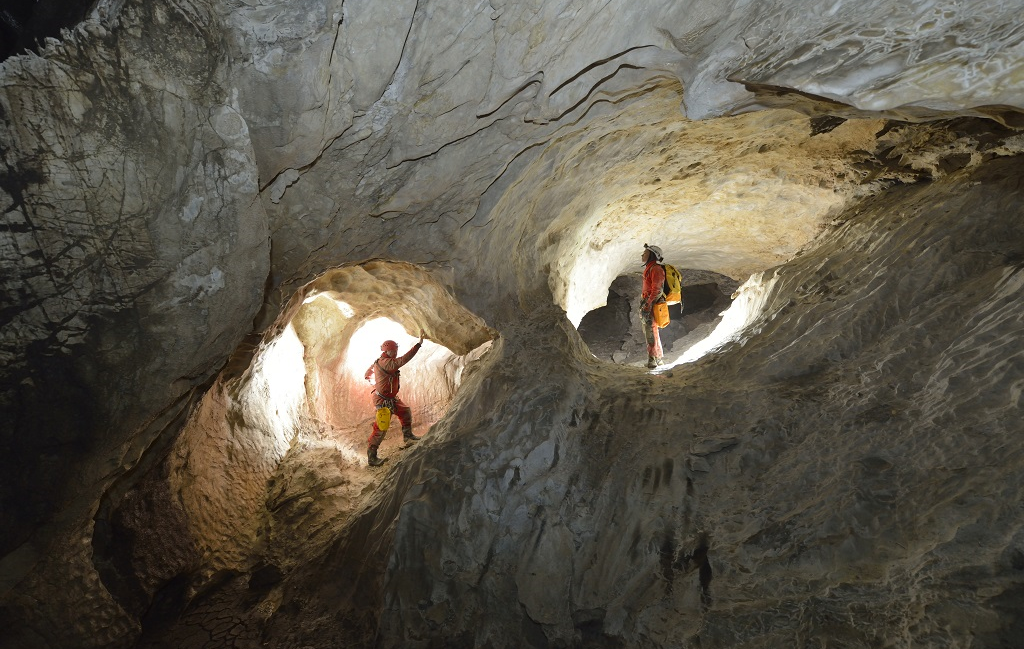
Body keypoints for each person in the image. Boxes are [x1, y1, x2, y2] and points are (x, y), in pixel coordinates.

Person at [364, 332, 425, 466]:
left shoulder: (378, 361)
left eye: (396, 350)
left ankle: (408, 437)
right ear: (388, 351)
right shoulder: (387, 363)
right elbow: (403, 360)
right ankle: (372, 457)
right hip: (383, 400)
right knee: (381, 427)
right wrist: (418, 345)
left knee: (405, 411)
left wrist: (376, 384)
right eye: (394, 351)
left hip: (390, 398)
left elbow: (367, 375)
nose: (396, 353)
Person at [640, 243, 666, 369]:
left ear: (651, 255)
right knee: (652, 330)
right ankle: (658, 358)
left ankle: (652, 360)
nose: (642, 255)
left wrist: (648, 304)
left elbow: (657, 290)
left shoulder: (655, 269)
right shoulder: (650, 268)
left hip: (650, 303)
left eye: (645, 253)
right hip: (648, 301)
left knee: (650, 330)